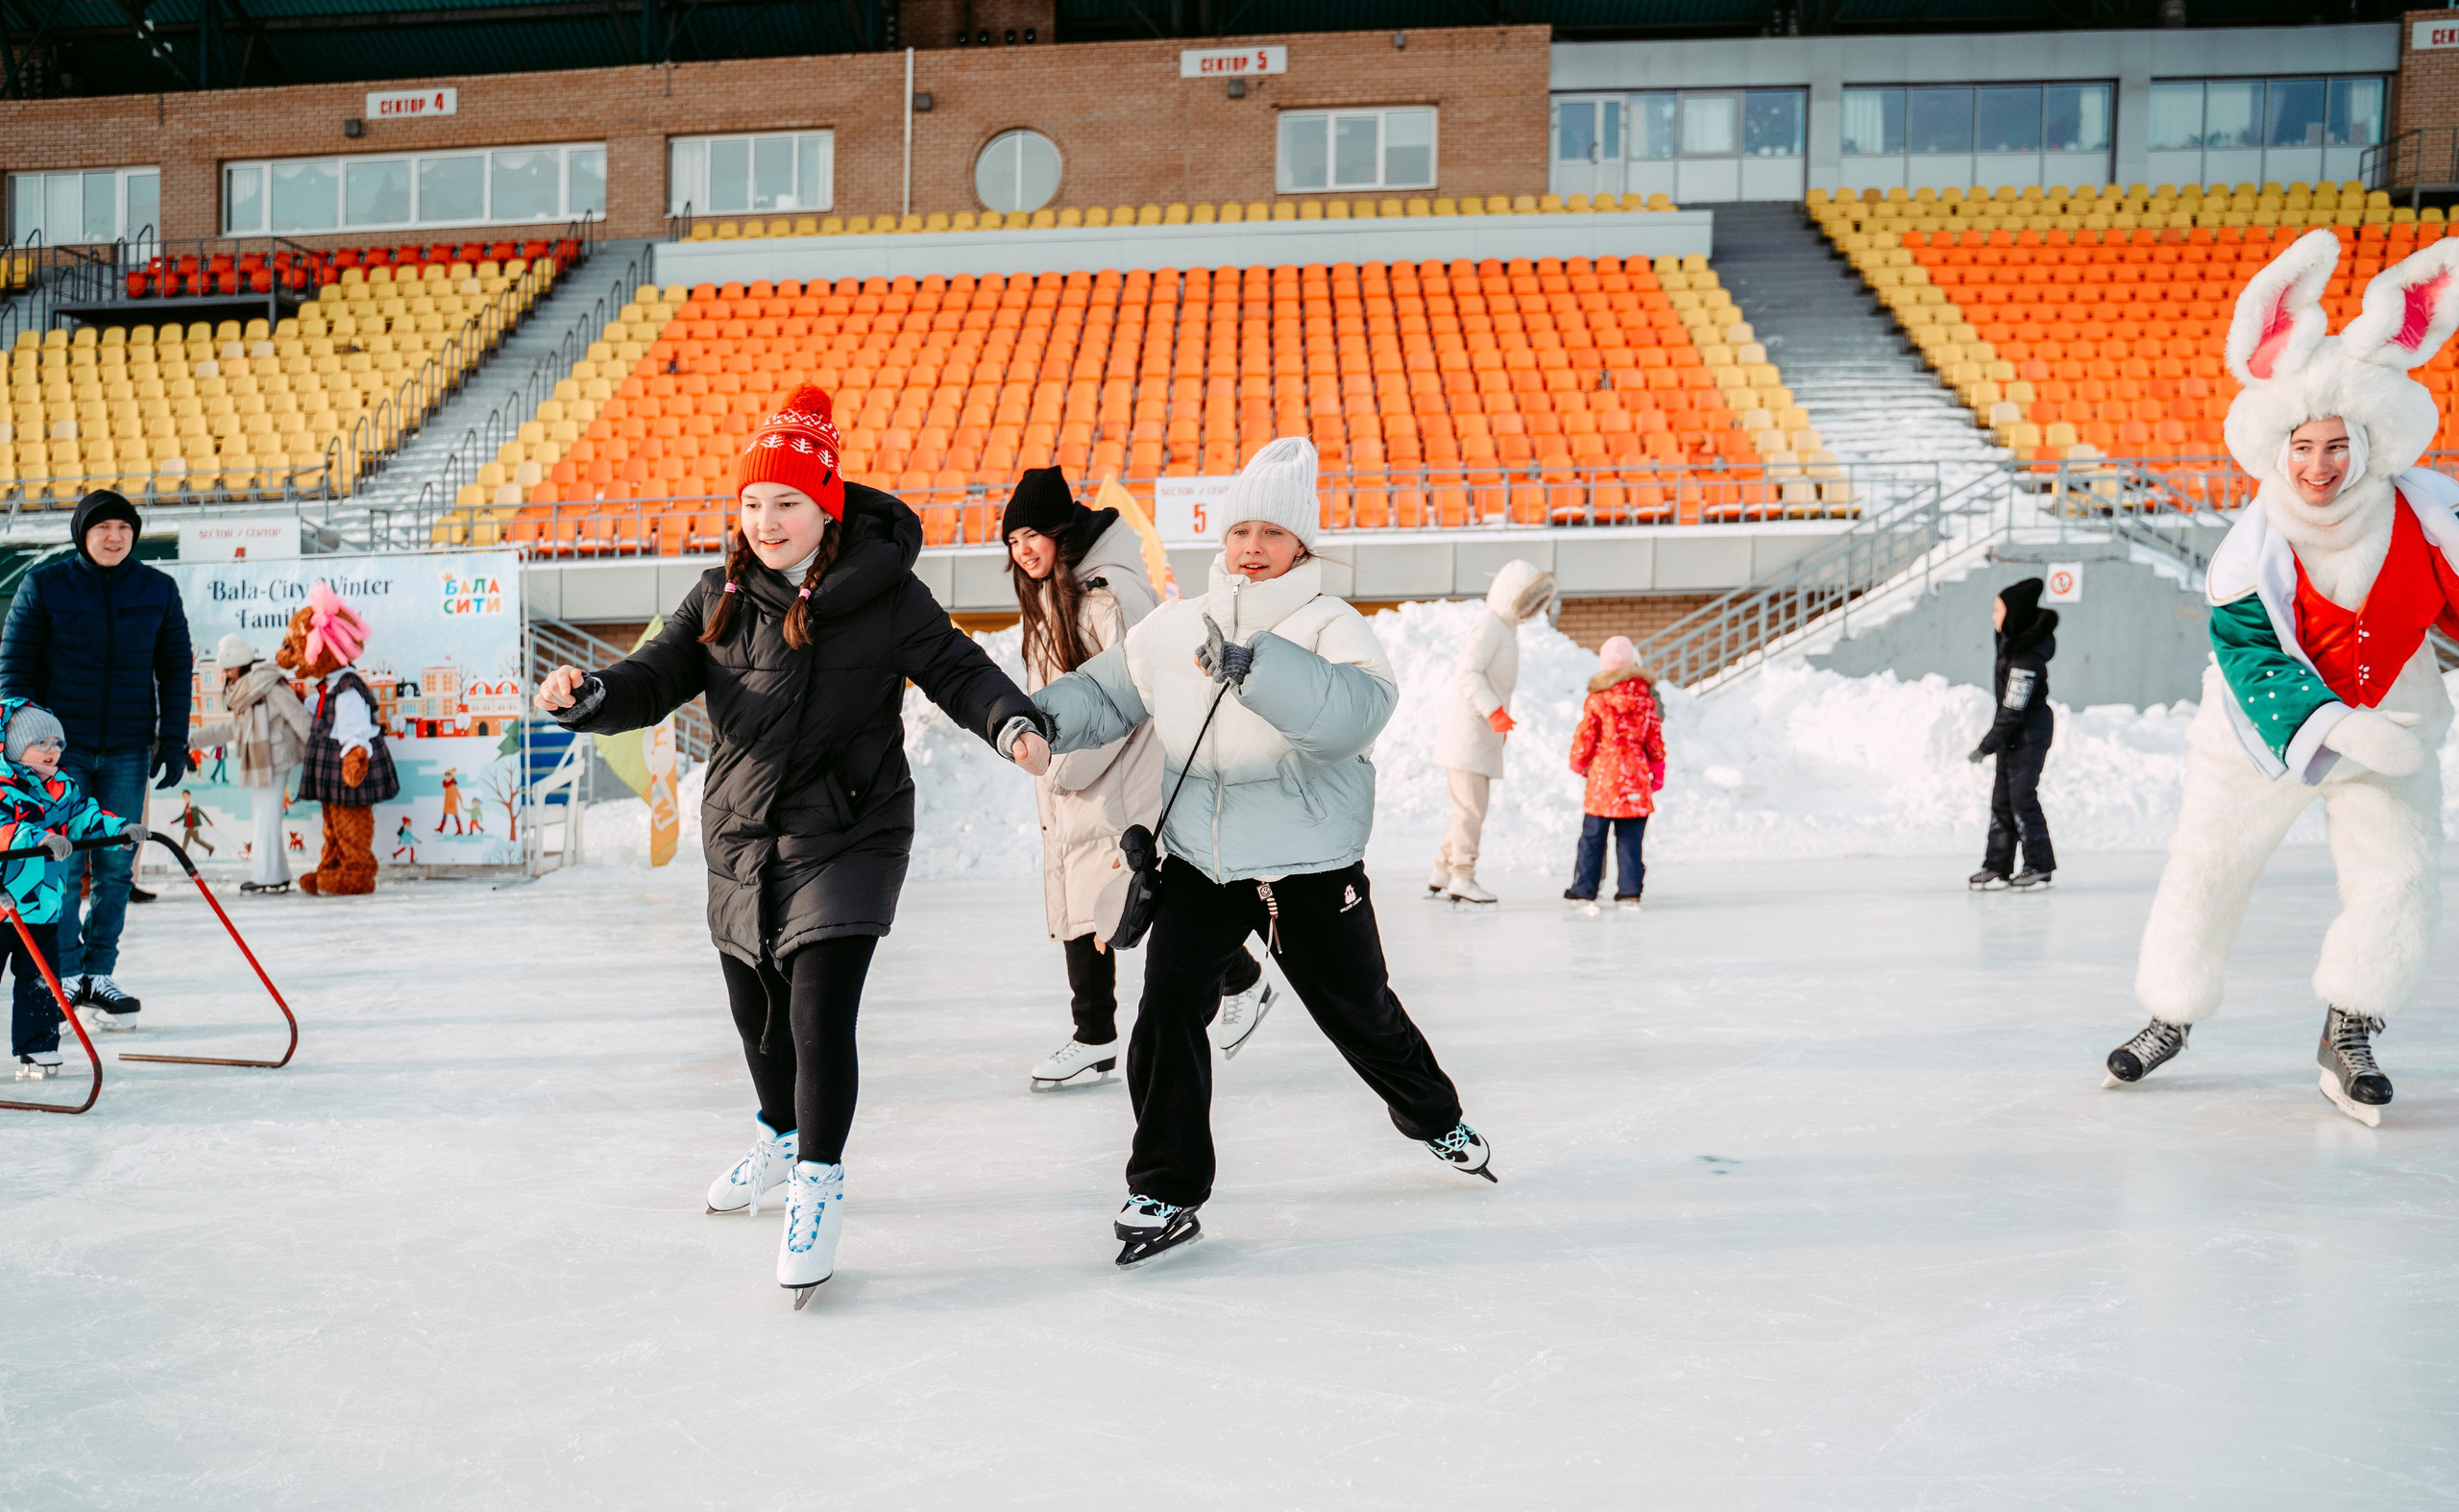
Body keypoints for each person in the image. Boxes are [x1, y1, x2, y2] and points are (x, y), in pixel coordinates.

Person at [535, 382, 1045, 1306]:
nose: (768, 521)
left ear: (827, 506)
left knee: (817, 1010)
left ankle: (818, 1178)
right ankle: (778, 1133)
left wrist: (1010, 722)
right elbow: (653, 676)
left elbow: (957, 669)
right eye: (754, 503)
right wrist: (593, 698)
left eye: (789, 503)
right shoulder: (717, 596)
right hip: (741, 832)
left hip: (850, 828)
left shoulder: (887, 594)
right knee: (756, 1017)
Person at [1024, 437, 1494, 1269]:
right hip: (1200, 862)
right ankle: (1165, 1186)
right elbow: (1106, 691)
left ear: (1302, 546)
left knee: (1361, 1014)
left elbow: (1355, 713)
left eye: (1272, 533)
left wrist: (1258, 666)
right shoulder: (1173, 627)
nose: (1251, 547)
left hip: (1306, 862)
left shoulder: (1330, 623)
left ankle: (1436, 1117)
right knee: (1167, 1016)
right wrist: (1037, 717)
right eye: (1241, 530)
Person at [1003, 465, 1273, 1086]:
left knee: (1127, 902)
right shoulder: (1052, 594)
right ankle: (1099, 1033)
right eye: (1013, 542)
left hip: (1115, 775)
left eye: (1032, 536)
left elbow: (1127, 697)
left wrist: (1061, 767)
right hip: (1079, 774)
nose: (1023, 551)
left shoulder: (1107, 592)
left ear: (1059, 531)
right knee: (1088, 904)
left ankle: (1228, 985)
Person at [0, 489, 192, 1026]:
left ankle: (98, 973)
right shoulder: (45, 586)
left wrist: (172, 739)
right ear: (83, 534)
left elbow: (176, 668)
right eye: (103, 528)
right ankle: (60, 977)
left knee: (115, 866)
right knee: (58, 866)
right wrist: (18, 751)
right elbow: (14, 670)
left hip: (129, 749)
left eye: (124, 529)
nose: (114, 538)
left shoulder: (158, 590)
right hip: (57, 758)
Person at [0, 700, 148, 1078]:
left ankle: (39, 1047)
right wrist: (39, 838)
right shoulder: (3, 787)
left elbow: (84, 816)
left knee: (40, 979)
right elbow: (3, 830)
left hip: (43, 908)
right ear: (13, 746)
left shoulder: (61, 786)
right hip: (4, 905)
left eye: (58, 743)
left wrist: (118, 831)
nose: (54, 751)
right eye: (42, 743)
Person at [1428, 559, 1555, 906]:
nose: (1529, 611)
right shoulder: (1489, 627)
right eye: (1525, 602)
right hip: (1467, 739)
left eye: (1534, 604)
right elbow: (1468, 673)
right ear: (1510, 596)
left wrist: (1498, 720)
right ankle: (1462, 877)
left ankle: (1443, 870)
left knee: (1466, 810)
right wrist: (1494, 711)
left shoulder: (1503, 629)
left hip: (1478, 738)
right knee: (1470, 811)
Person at [186, 632, 310, 894]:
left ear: (241, 663)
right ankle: (277, 874)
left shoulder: (270, 685)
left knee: (265, 818)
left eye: (229, 669)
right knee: (265, 817)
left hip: (276, 759)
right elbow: (231, 729)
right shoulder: (246, 692)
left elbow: (299, 717)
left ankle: (266, 876)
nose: (226, 675)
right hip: (260, 761)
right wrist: (191, 741)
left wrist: (318, 750)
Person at [1966, 577, 2057, 891]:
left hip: (2029, 735)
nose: (1993, 616)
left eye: (1998, 610)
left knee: (2022, 800)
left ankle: (2039, 865)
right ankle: (1996, 865)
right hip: (2014, 735)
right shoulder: (2012, 643)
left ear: (2013, 614)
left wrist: (1986, 746)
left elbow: (2014, 709)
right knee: (2002, 801)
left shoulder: (2026, 657)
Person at [1563, 636, 1665, 916]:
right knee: (1630, 840)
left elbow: (1585, 736)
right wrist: (1657, 772)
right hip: (1635, 781)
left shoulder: (1598, 700)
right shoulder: (1645, 700)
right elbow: (1654, 741)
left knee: (1592, 838)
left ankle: (1585, 890)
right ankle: (1630, 892)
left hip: (1603, 783)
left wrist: (1577, 762)